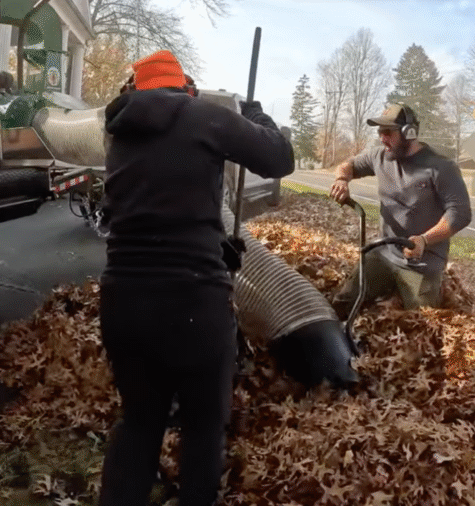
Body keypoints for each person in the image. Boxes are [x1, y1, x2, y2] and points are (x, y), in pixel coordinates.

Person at [98, 50, 293, 506]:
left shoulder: (119, 131)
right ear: (184, 87)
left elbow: (161, 202)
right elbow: (279, 157)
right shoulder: (205, 116)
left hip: (123, 299)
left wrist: (214, 240)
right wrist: (254, 113)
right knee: (203, 426)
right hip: (192, 302)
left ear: (135, 89)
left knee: (140, 420)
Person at [329, 103, 471, 317]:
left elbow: (460, 213)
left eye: (387, 132)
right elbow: (348, 164)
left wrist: (424, 240)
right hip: (384, 252)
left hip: (423, 262)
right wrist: (342, 180)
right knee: (343, 302)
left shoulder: (441, 167)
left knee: (422, 323)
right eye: (379, 132)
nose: (381, 138)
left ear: (409, 133)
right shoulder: (380, 156)